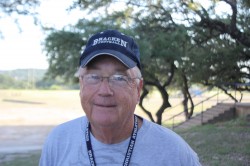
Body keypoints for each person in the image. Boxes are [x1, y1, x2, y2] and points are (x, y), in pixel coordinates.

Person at [39, 29, 201, 166]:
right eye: (93, 77)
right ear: (81, 85)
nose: (104, 90)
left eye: (119, 78)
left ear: (138, 89)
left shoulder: (174, 152)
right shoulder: (58, 141)